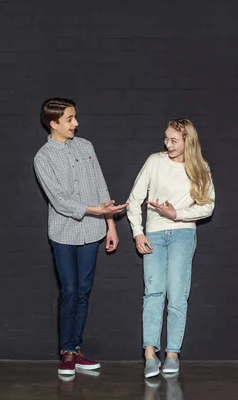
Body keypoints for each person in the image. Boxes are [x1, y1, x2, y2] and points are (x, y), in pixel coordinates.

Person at [33, 98, 127, 376]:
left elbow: (100, 186)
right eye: (70, 119)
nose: (76, 123)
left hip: (93, 231)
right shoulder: (43, 157)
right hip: (64, 233)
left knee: (84, 292)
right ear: (54, 123)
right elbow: (59, 201)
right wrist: (91, 209)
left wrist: (110, 224)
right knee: (70, 291)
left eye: (75, 117)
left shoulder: (86, 146)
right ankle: (66, 352)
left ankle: (75, 349)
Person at [127, 118, 215, 378]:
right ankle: (150, 354)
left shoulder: (200, 168)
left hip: (183, 235)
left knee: (177, 295)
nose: (167, 144)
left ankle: (173, 352)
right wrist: (137, 232)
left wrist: (177, 213)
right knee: (153, 293)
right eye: (166, 138)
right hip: (154, 233)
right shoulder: (155, 161)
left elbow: (208, 206)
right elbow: (134, 200)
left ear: (188, 141)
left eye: (173, 140)